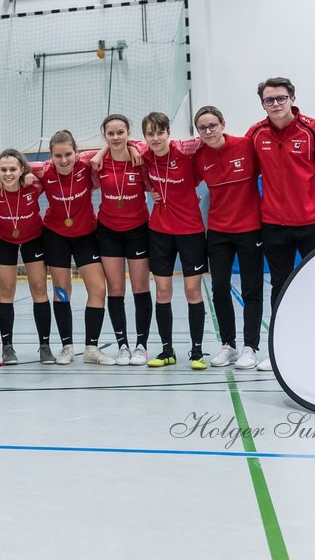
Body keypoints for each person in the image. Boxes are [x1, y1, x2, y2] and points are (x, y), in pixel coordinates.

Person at [247, 77, 315, 339]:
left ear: (292, 99)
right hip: (274, 226)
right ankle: (282, 340)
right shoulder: (255, 134)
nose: (276, 104)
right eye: (269, 100)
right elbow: (242, 175)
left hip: (313, 223)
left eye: (281, 98)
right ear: (263, 105)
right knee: (280, 283)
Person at [193, 106, 264, 371]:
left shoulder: (246, 146)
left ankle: (251, 347)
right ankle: (229, 345)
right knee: (219, 287)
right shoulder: (199, 156)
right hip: (219, 231)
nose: (208, 131)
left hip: (250, 229)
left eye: (212, 125)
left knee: (251, 289)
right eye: (202, 128)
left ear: (223, 124)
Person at [139, 112, 209, 370]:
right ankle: (167, 350)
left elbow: (205, 138)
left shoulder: (186, 153)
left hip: (190, 230)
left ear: (168, 132)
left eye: (160, 132)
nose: (155, 138)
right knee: (163, 291)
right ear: (145, 136)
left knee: (192, 291)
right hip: (159, 231)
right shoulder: (144, 155)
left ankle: (197, 351)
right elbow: (127, 144)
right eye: (150, 133)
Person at [36, 130, 110, 365]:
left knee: (98, 289)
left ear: (76, 152)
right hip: (55, 236)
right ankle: (67, 346)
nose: (64, 160)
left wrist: (103, 151)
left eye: (68, 154)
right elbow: (10, 166)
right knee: (62, 290)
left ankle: (92, 348)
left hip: (86, 235)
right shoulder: (42, 171)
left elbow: (127, 143)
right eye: (58, 156)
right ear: (51, 156)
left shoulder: (87, 164)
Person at [90, 114, 151, 365]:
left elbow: (147, 143)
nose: (116, 137)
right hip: (108, 231)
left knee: (140, 288)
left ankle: (141, 345)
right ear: (104, 135)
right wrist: (101, 152)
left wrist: (133, 146)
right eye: (110, 134)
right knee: (116, 290)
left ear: (128, 133)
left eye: (120, 132)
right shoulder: (96, 161)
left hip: (138, 230)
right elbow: (62, 157)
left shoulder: (142, 155)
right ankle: (122, 345)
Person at [0, 149, 50, 365]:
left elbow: (48, 166)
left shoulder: (35, 186)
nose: (8, 173)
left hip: (33, 238)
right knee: (6, 290)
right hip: (4, 239)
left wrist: (33, 173)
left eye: (13, 169)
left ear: (22, 169)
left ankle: (45, 345)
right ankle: (7, 347)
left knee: (39, 288)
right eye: (3, 169)